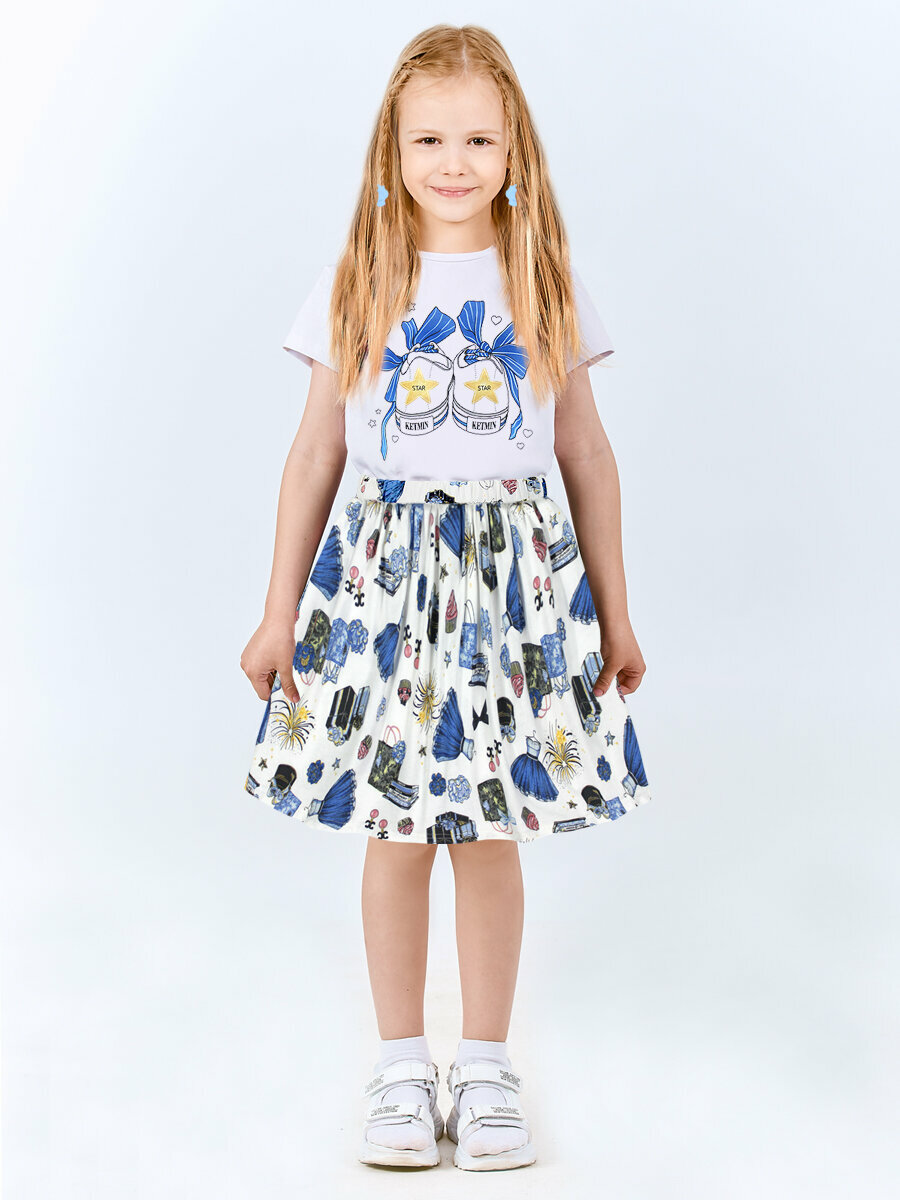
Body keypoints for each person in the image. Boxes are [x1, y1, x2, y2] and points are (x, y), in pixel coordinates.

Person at [240, 23, 652, 1173]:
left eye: (478, 139)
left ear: (516, 150)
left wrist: (616, 611)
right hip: (384, 591)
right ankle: (398, 1066)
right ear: (393, 148)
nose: (454, 162)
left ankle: (484, 1065)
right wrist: (278, 611)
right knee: (397, 830)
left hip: (515, 592)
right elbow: (315, 455)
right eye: (429, 139)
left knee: (487, 831)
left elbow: (585, 453)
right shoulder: (358, 280)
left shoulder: (542, 280)